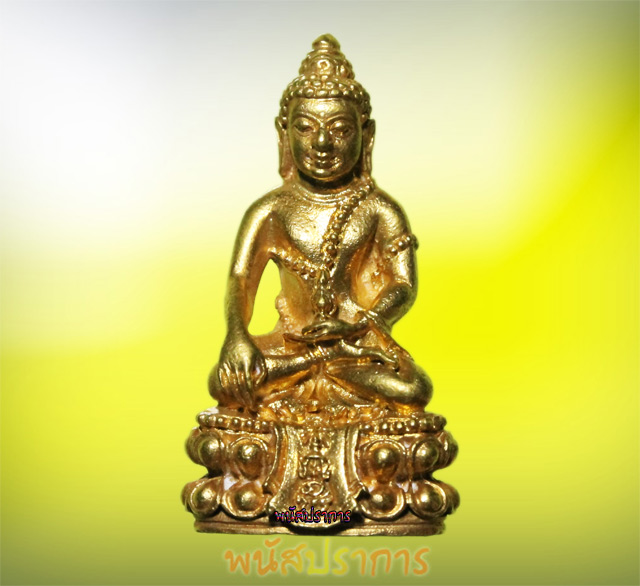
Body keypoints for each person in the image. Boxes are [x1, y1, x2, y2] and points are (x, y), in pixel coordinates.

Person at [209, 34, 432, 421]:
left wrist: (361, 325)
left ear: (367, 134)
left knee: (412, 389)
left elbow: (402, 285)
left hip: (355, 347)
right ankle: (314, 363)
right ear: (284, 133)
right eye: (306, 128)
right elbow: (240, 280)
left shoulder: (380, 210)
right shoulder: (270, 210)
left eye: (342, 130)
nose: (323, 143)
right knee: (224, 381)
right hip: (290, 346)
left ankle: (323, 363)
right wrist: (237, 337)